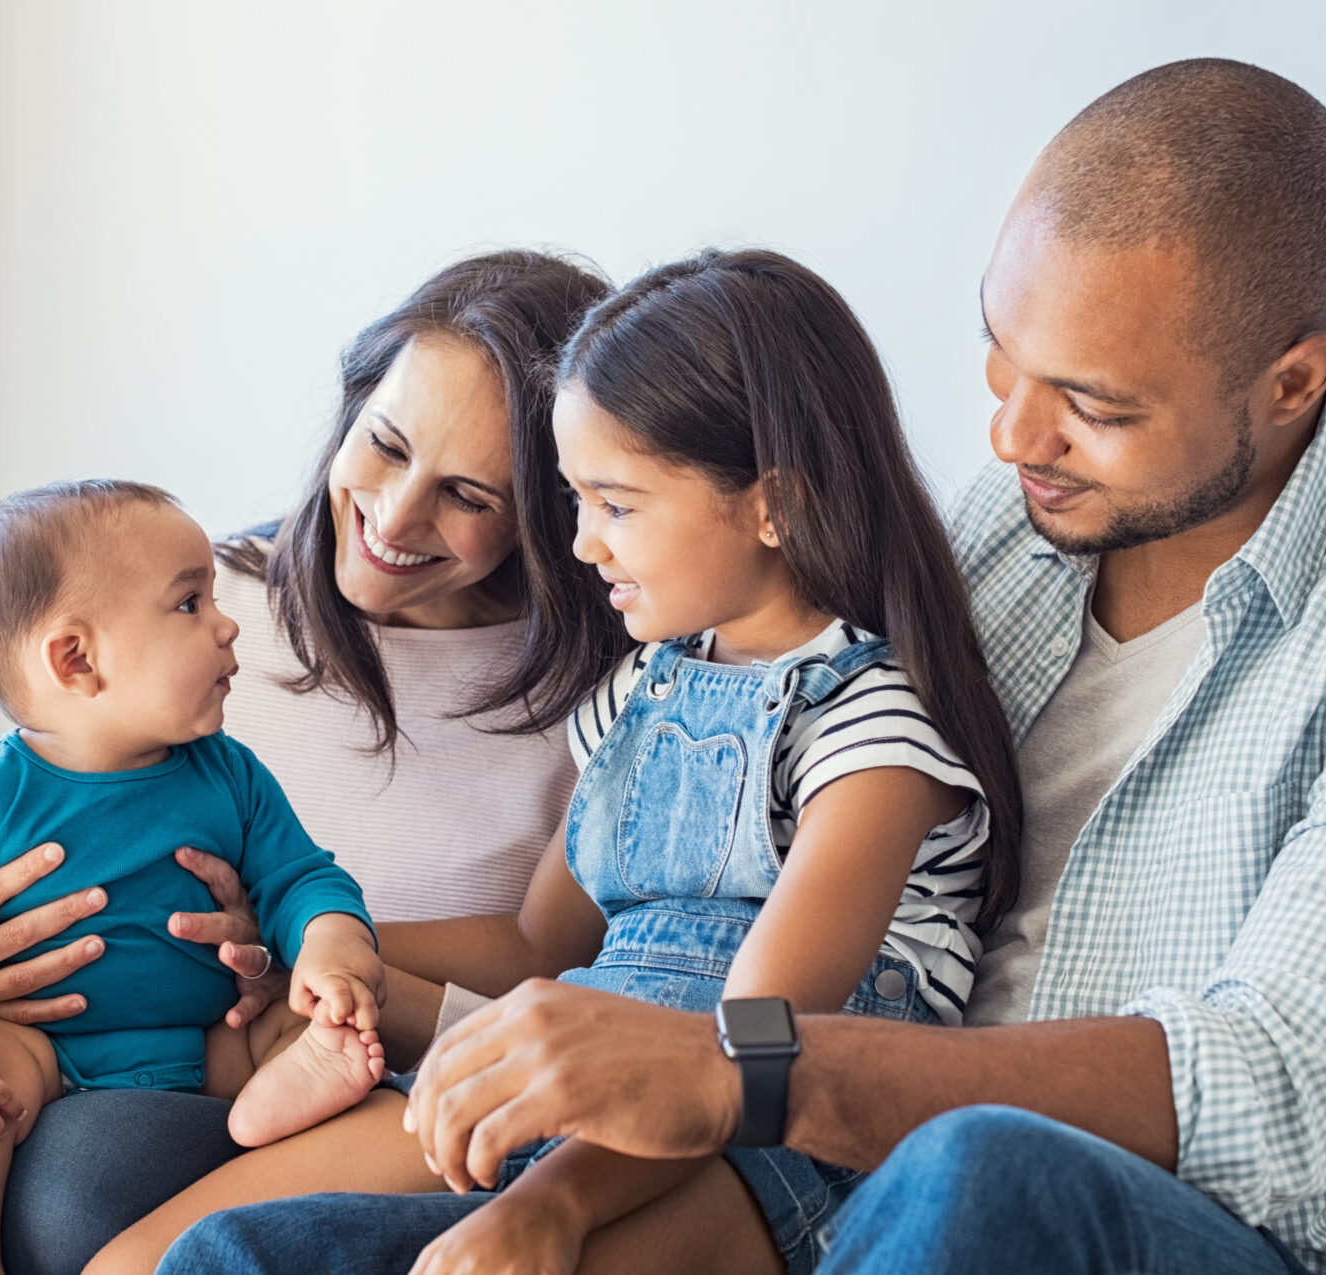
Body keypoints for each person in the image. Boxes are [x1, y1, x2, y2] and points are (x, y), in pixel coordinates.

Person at [167, 59, 1326, 1275]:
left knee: (978, 1169)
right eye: (1000, 352)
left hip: (1154, 1219)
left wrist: (744, 1069)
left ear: (1296, 381)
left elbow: (1282, 1091)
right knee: (239, 1258)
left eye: (1096, 403)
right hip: (833, 1167)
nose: (1012, 433)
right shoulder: (1004, 532)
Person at [80, 247, 1026, 1275]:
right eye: (575, 502)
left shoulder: (869, 736)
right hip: (568, 1081)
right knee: (155, 1261)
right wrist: (309, 933)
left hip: (753, 1148)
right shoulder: (639, 695)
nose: (578, 546)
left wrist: (550, 1208)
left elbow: (754, 1053)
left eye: (615, 506)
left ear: (773, 506)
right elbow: (539, 940)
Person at [0, 251, 627, 1275]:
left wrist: (310, 949)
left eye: (468, 494)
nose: (393, 517)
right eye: (382, 446)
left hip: (287, 1049)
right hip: (49, 1031)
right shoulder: (182, 605)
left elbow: (559, 961)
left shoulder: (606, 699)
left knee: (80, 1179)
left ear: (555, 509)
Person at [0, 480, 393, 1273]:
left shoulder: (229, 775)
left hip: (210, 1041)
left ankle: (275, 1100)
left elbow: (301, 877)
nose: (228, 623)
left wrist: (332, 948)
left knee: (311, 1029)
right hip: (41, 1046)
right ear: (77, 658)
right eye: (190, 603)